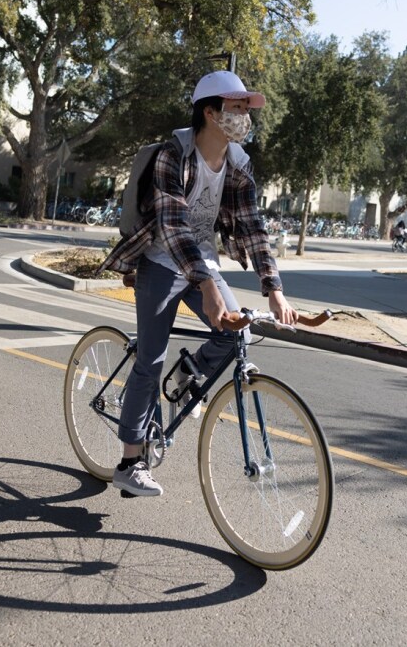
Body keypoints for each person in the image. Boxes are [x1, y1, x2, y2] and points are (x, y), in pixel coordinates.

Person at [97, 70, 297, 497]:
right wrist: (206, 285)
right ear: (210, 111)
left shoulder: (239, 164)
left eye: (246, 108)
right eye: (236, 107)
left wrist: (273, 286)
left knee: (235, 328)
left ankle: (189, 373)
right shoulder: (174, 155)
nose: (244, 116)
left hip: (201, 264)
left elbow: (252, 227)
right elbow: (172, 226)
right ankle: (130, 461)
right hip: (159, 260)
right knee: (150, 359)